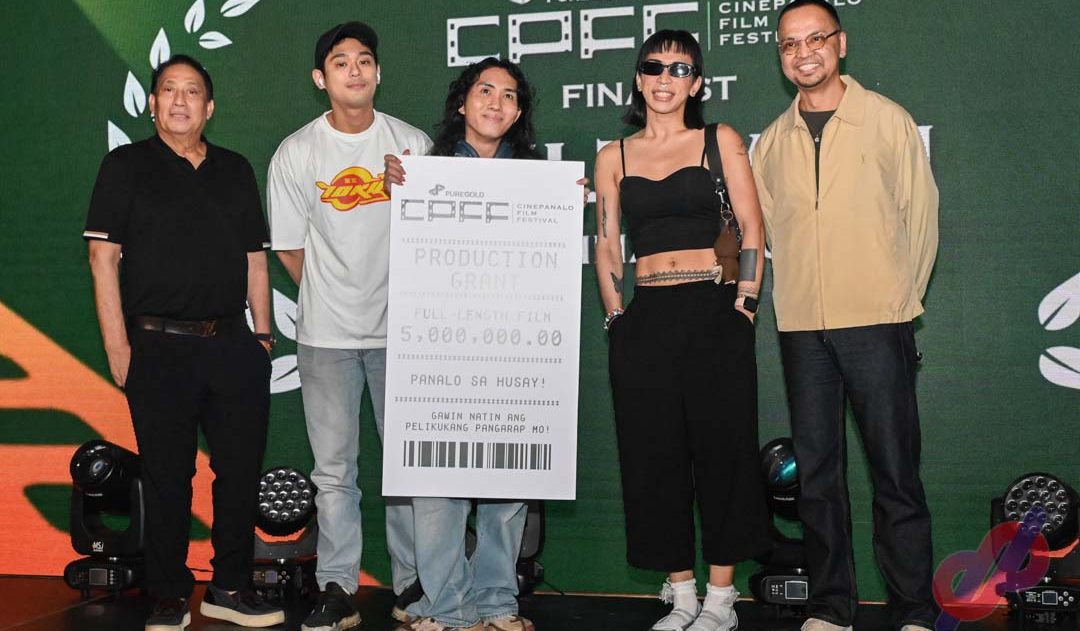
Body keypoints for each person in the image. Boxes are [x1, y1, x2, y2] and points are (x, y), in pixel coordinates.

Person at [751, 2, 940, 630]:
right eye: (789, 44)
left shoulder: (887, 121)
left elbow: (921, 219)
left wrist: (896, 300)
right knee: (818, 479)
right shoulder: (771, 142)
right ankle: (832, 607)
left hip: (877, 321)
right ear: (780, 57)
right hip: (802, 329)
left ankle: (914, 610)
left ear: (841, 43)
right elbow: (769, 233)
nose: (803, 53)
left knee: (895, 474)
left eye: (815, 39)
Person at [84, 54, 284, 631]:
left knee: (240, 474)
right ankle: (169, 593)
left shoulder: (235, 169)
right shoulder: (125, 166)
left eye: (192, 91)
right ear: (152, 104)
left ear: (209, 107)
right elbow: (102, 259)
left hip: (233, 346)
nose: (180, 100)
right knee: (167, 478)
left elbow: (255, 260)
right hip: (156, 348)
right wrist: (119, 349)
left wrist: (262, 337)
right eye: (168, 89)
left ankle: (229, 588)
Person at [593, 30, 771, 631]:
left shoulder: (720, 140)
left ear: (696, 83)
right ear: (637, 78)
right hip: (645, 320)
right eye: (653, 66)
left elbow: (751, 228)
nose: (665, 78)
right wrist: (617, 317)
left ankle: (721, 600)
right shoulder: (613, 156)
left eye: (680, 68)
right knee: (653, 458)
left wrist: (745, 305)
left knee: (724, 454)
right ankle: (681, 593)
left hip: (715, 313)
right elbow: (607, 244)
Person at [382, 57, 560, 631]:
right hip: (438, 350)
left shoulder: (537, 179)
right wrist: (397, 191)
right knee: (437, 487)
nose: (495, 103)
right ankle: (447, 607)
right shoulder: (422, 172)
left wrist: (563, 205)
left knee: (507, 484)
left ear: (518, 112)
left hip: (512, 350)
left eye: (509, 95)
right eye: (485, 90)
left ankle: (497, 603)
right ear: (462, 102)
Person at [266, 21, 433, 631]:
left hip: (403, 335)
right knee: (334, 472)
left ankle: (412, 581)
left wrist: (408, 192)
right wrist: (333, 294)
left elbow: (439, 230)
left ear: (379, 72)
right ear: (321, 78)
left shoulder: (412, 145)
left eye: (364, 60)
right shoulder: (296, 152)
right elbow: (290, 249)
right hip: (325, 337)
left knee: (406, 467)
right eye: (341, 62)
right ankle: (337, 586)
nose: (355, 70)